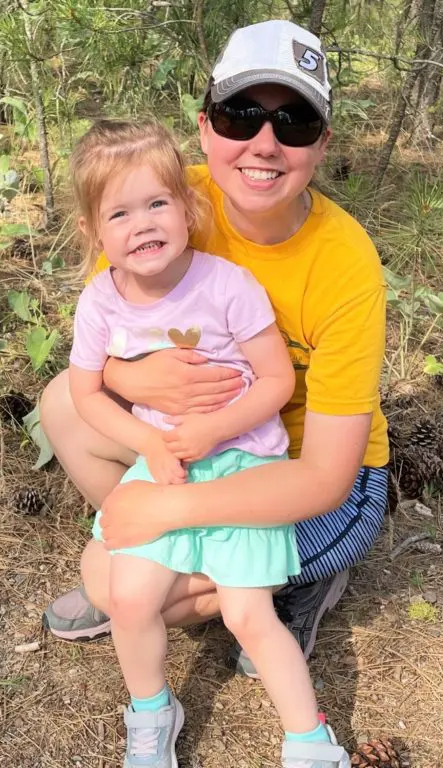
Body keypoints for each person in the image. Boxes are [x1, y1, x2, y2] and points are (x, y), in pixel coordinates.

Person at [42, 17, 389, 766]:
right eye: (241, 116)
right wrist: (135, 380)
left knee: (146, 596)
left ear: (322, 142)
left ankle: (302, 585)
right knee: (60, 405)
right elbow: (106, 336)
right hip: (192, 449)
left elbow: (325, 475)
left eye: (294, 121)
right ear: (204, 130)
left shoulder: (344, 264)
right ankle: (152, 556)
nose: (264, 144)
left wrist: (168, 503)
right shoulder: (172, 201)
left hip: (312, 472)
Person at [67, 118, 345, 768]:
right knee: (129, 596)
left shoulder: (226, 285)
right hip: (164, 463)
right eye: (121, 212)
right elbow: (85, 393)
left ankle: (310, 741)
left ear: (188, 207)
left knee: (250, 615)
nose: (143, 225)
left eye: (157, 203)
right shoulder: (100, 302)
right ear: (94, 231)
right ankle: (151, 711)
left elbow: (276, 379)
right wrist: (149, 442)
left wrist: (215, 427)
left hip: (245, 464)